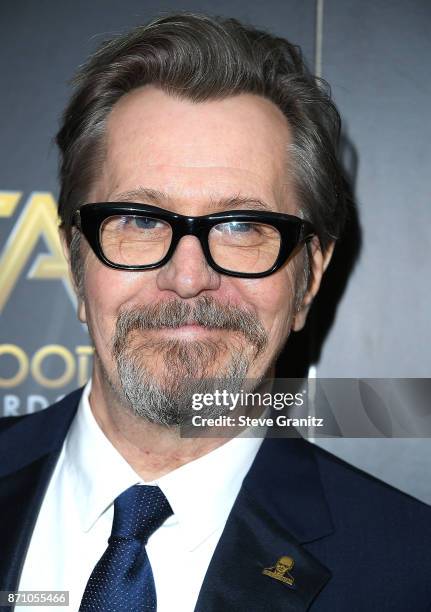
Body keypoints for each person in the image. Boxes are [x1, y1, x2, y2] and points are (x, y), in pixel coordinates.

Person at [0, 12, 430, 612]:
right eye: (141, 220)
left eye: (242, 226)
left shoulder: (411, 571)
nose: (189, 278)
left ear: (309, 279)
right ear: (76, 260)